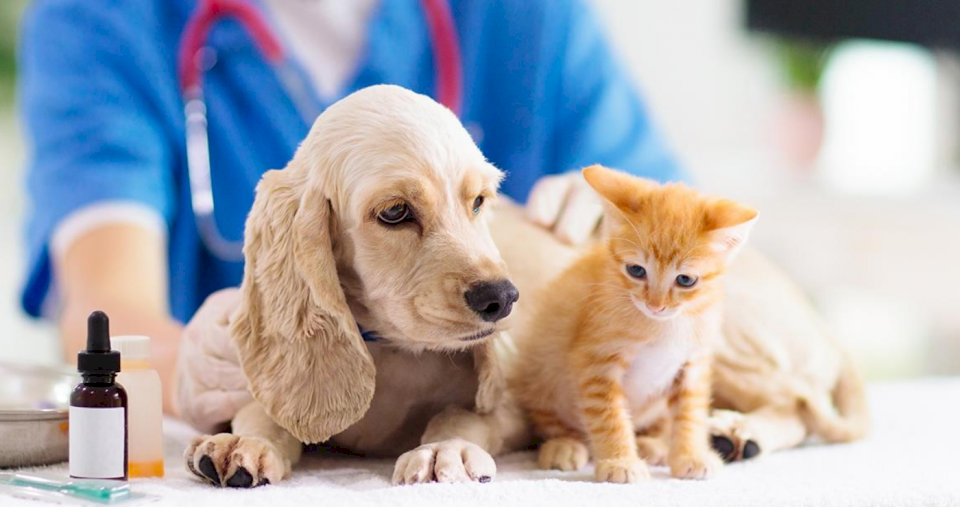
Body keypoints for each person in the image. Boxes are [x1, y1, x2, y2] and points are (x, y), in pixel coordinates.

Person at [18, 0, 682, 416]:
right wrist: (186, 365)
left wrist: (627, 236)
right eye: (398, 213)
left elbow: (705, 241)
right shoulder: (98, 16)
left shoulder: (529, 17)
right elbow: (104, 307)